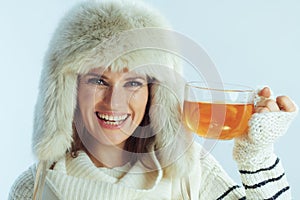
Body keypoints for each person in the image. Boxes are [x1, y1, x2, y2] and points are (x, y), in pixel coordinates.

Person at [9, 0, 297, 199]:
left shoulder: (191, 173)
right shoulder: (32, 188)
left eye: (133, 82)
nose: (114, 102)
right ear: (68, 88)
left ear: (155, 93)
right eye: (98, 81)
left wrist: (256, 155)